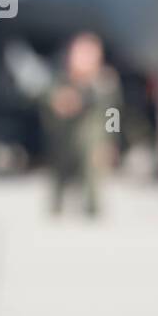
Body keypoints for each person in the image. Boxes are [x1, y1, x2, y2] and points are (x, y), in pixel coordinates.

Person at [41, 32, 118, 217]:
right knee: (59, 176)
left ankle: (93, 208)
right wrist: (58, 102)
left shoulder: (104, 82)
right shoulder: (61, 79)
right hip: (64, 140)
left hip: (92, 141)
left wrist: (110, 142)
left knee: (93, 175)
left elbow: (112, 113)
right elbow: (46, 98)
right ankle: (56, 206)